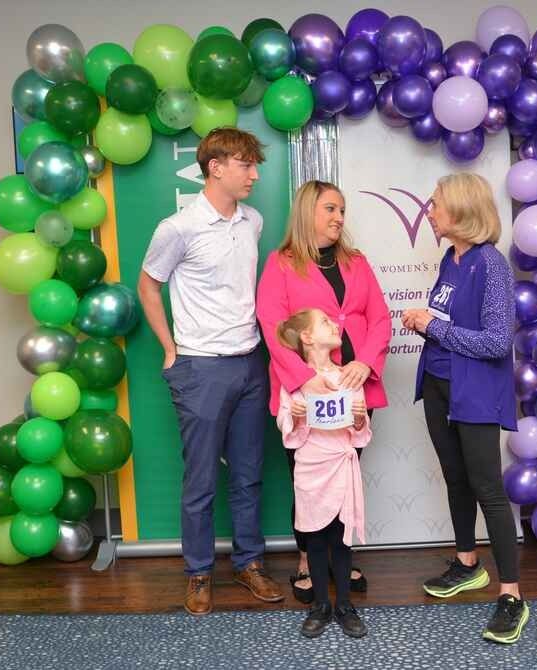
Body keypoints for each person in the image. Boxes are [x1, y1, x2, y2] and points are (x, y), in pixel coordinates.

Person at [138, 127, 283, 616]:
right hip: (200, 367)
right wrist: (170, 349)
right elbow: (148, 286)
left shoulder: (253, 221)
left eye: (255, 165)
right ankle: (198, 573)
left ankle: (249, 564)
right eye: (246, 165)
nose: (254, 175)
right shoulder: (177, 228)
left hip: (251, 363)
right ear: (215, 167)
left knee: (248, 474)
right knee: (200, 481)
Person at [401, 173, 528, 644]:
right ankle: (467, 563)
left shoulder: (490, 264)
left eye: (435, 203)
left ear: (460, 210)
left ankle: (511, 596)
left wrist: (431, 327)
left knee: (487, 489)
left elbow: (496, 342)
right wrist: (428, 321)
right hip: (439, 386)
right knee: (456, 478)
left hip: (474, 392)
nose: (429, 211)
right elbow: (451, 321)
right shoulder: (449, 259)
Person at [256, 180, 391, 604]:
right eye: (330, 209)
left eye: (342, 210)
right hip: (305, 395)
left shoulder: (356, 262)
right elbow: (272, 326)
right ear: (307, 213)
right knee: (309, 481)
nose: (339, 217)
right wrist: (302, 378)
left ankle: (341, 557)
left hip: (353, 390)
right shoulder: (281, 264)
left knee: (346, 476)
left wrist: (365, 363)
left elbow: (380, 318)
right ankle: (306, 559)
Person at [276, 308, 371, 638]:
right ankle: (320, 605)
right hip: (310, 471)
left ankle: (344, 604)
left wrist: (358, 418)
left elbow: (359, 434)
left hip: (340, 468)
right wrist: (296, 416)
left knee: (341, 539)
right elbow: (286, 430)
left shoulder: (348, 377)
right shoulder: (296, 383)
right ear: (307, 337)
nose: (334, 325)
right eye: (326, 323)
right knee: (315, 539)